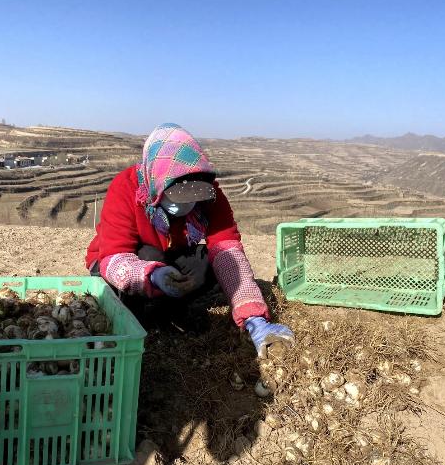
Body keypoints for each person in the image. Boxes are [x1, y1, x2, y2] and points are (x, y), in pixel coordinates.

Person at [86, 123, 294, 358]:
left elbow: (228, 249)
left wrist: (254, 317)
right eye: (176, 195)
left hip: (169, 257)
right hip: (121, 262)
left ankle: (168, 310)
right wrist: (151, 275)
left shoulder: (209, 192)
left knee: (208, 262)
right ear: (157, 182)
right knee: (150, 257)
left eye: (192, 197)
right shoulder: (126, 186)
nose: (185, 204)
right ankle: (141, 318)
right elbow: (114, 255)